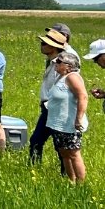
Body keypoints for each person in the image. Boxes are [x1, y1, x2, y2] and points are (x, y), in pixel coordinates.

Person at [32, 26, 77, 170]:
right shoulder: (52, 61)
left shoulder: (63, 64)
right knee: (36, 141)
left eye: (44, 43)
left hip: (56, 109)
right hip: (48, 107)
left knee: (61, 145)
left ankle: (66, 175)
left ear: (53, 47)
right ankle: (34, 169)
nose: (41, 45)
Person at [46, 52, 89, 183]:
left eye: (59, 62)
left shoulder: (72, 77)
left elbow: (83, 97)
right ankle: (71, 181)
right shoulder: (61, 77)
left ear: (69, 66)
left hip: (70, 124)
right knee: (64, 152)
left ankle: (81, 185)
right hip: (58, 123)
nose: (55, 64)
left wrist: (78, 119)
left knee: (74, 153)